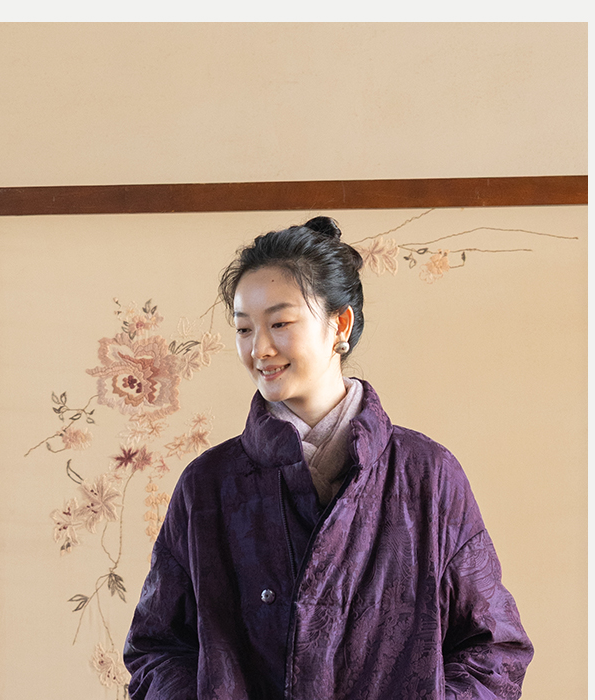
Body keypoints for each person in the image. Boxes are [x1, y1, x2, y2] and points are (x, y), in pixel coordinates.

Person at [123, 216, 533, 700]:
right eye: (244, 328)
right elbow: (156, 649)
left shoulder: (427, 475)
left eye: (280, 324)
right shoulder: (209, 485)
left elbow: (495, 649)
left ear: (340, 324)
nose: (260, 349)